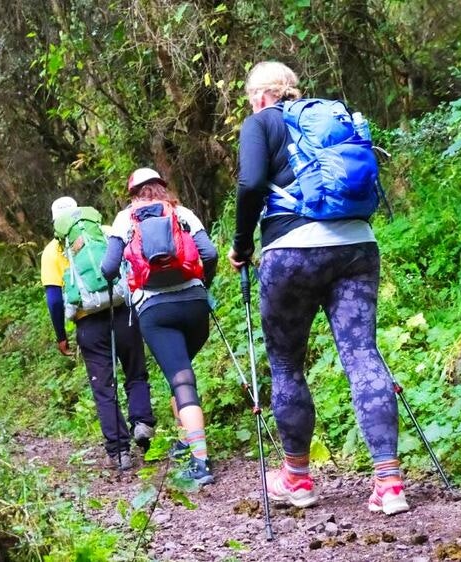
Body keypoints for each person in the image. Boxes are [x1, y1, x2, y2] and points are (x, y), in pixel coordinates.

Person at [229, 61, 408, 515]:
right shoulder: (332, 117)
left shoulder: (260, 122)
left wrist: (241, 245)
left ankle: (297, 478)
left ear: (260, 94)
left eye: (251, 96)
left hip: (293, 252)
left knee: (286, 364)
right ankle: (389, 482)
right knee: (363, 354)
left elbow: (250, 183)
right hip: (356, 246)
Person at [100, 169, 219, 486]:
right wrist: (202, 283)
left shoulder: (126, 219)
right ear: (161, 188)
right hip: (194, 305)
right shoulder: (181, 213)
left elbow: (108, 268)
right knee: (178, 372)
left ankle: (201, 461)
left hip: (156, 310)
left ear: (132, 192)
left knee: (181, 380)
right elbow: (209, 253)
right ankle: (185, 440)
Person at [42, 196, 156, 471]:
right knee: (135, 372)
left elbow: (54, 300)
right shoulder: (104, 232)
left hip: (89, 324)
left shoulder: (52, 250)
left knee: (104, 388)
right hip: (122, 312)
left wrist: (61, 335)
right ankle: (142, 422)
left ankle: (119, 453)